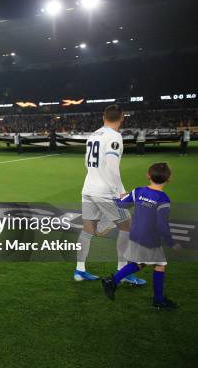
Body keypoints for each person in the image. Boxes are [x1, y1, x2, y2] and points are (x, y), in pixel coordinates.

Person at [75, 105, 146, 285]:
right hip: (105, 191)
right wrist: (120, 191)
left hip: (88, 188)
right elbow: (112, 166)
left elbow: (86, 162)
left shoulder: (93, 135)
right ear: (122, 117)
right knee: (127, 226)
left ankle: (79, 270)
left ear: (103, 117)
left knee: (87, 230)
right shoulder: (114, 136)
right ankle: (123, 272)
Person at [101, 163, 181, 309]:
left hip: (136, 234)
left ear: (148, 176)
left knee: (141, 262)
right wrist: (171, 242)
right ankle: (158, 301)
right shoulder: (163, 199)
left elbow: (121, 205)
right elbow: (162, 225)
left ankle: (113, 281)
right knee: (160, 264)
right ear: (169, 179)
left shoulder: (138, 191)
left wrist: (118, 198)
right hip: (149, 239)